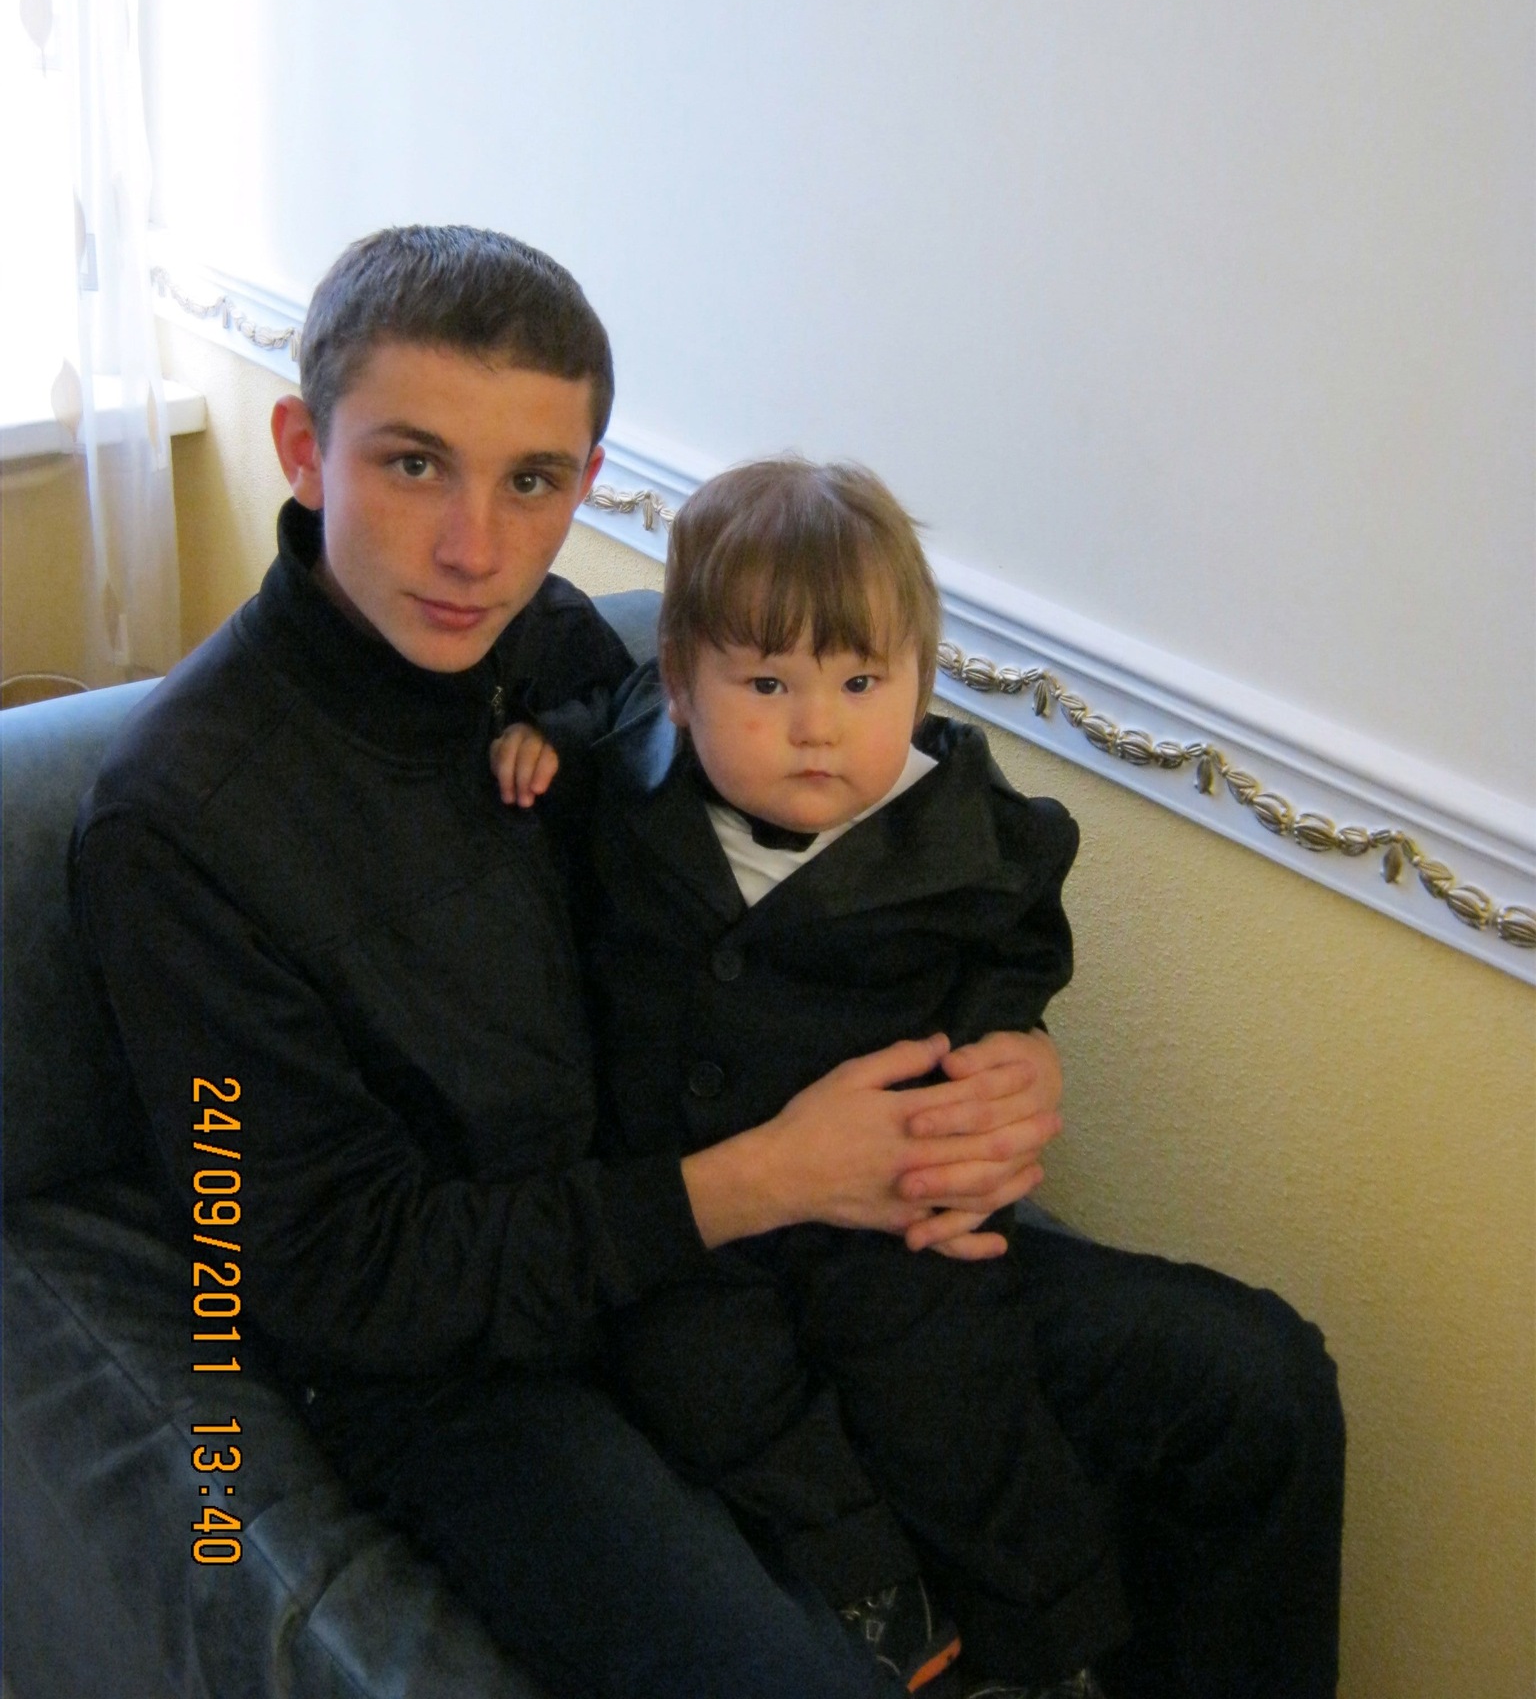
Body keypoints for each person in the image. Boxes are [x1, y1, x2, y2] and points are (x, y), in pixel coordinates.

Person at [69, 224, 1064, 1699]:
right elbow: (332, 1273)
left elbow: (786, 884)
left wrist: (1006, 1056)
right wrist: (765, 1178)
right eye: (415, 464)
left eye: (531, 481)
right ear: (303, 449)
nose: (475, 549)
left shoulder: (552, 647)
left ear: (587, 483)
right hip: (466, 1363)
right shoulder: (179, 822)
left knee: (1253, 1387)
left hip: (714, 1239)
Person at [493, 457, 1348, 1699]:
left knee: (955, 1393)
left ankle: (1048, 1642)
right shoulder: (628, 779)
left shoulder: (961, 827)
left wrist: (1013, 1042)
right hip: (687, 1224)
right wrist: (538, 743)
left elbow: (1018, 943)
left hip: (890, 1230)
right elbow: (585, 717)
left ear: (920, 680)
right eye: (768, 684)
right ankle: (874, 1592)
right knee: (706, 1384)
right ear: (679, 682)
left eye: (860, 682)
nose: (816, 725)